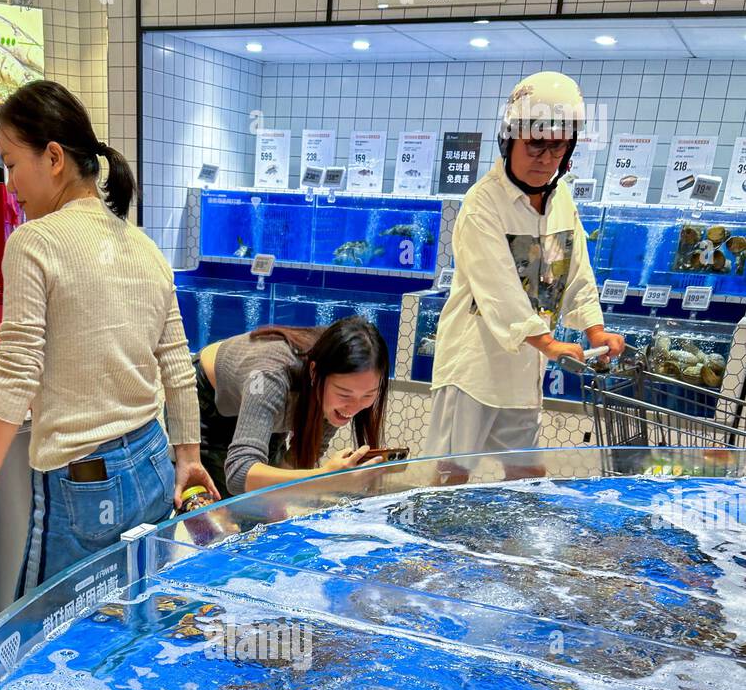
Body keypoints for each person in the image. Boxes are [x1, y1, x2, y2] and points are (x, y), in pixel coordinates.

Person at [0, 79, 214, 597]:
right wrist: (188, 457)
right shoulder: (144, 247)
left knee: (49, 640)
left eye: (10, 163)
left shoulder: (33, 242)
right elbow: (177, 365)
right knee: (134, 620)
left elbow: (20, 361)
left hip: (87, 482)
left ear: (52, 158)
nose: (9, 185)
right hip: (155, 462)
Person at [425, 72, 624, 484]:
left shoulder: (561, 200)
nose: (547, 158)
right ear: (509, 138)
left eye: (559, 147)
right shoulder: (483, 204)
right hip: (472, 369)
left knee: (528, 476)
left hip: (523, 372)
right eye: (536, 143)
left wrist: (595, 330)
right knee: (450, 475)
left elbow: (572, 273)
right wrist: (551, 344)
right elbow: (500, 292)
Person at [195, 320, 390, 497]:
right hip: (210, 405)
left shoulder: (332, 393)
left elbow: (298, 458)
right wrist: (326, 480)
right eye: (344, 394)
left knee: (268, 512)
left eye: (368, 395)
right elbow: (239, 475)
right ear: (315, 372)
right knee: (224, 518)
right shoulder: (268, 378)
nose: (354, 407)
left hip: (268, 406)